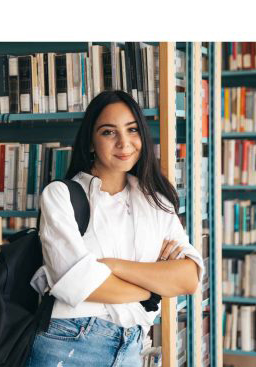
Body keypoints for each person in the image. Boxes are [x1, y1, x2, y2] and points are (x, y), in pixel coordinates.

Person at [26, 90, 204, 367]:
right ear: (91, 142)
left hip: (131, 346)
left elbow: (188, 278)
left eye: (132, 130)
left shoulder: (155, 201)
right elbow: (76, 283)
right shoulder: (60, 195)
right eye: (109, 132)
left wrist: (112, 267)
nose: (124, 143)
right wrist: (152, 288)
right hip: (69, 344)